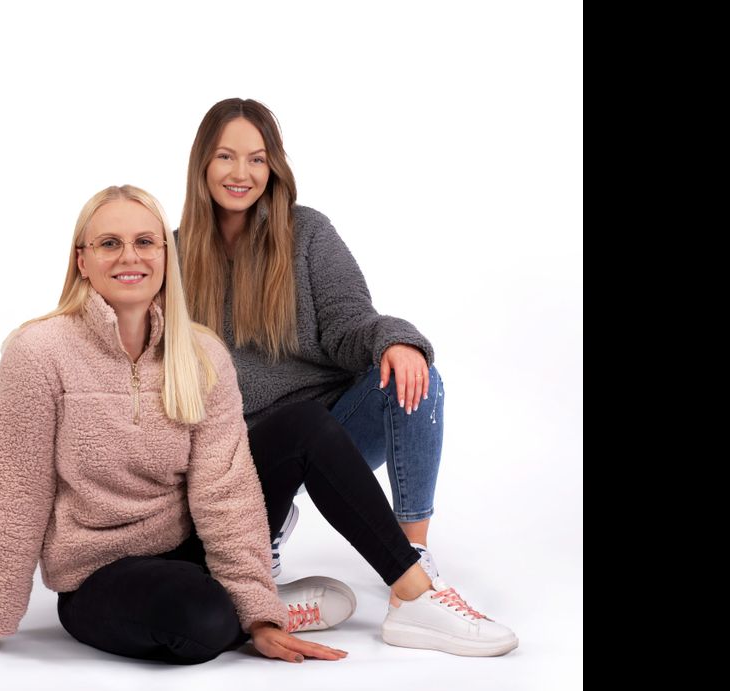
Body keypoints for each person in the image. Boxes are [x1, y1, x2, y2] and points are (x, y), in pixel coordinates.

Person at [0, 185, 356, 665]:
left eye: (146, 242)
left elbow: (224, 489)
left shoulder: (201, 352)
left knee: (305, 424)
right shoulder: (38, 353)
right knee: (200, 618)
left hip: (187, 548)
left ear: (167, 256)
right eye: (109, 243)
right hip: (99, 574)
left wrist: (259, 617)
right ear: (82, 260)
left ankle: (377, 593)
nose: (130, 256)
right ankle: (253, 604)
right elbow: (18, 489)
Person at [175, 99, 517, 655]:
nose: (242, 173)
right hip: (240, 453)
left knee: (415, 377)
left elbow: (349, 320)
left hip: (330, 429)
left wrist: (397, 341)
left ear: (273, 166)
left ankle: (413, 571)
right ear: (202, 164)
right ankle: (260, 562)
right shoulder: (171, 255)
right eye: (226, 156)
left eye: (257, 159)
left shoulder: (307, 232)